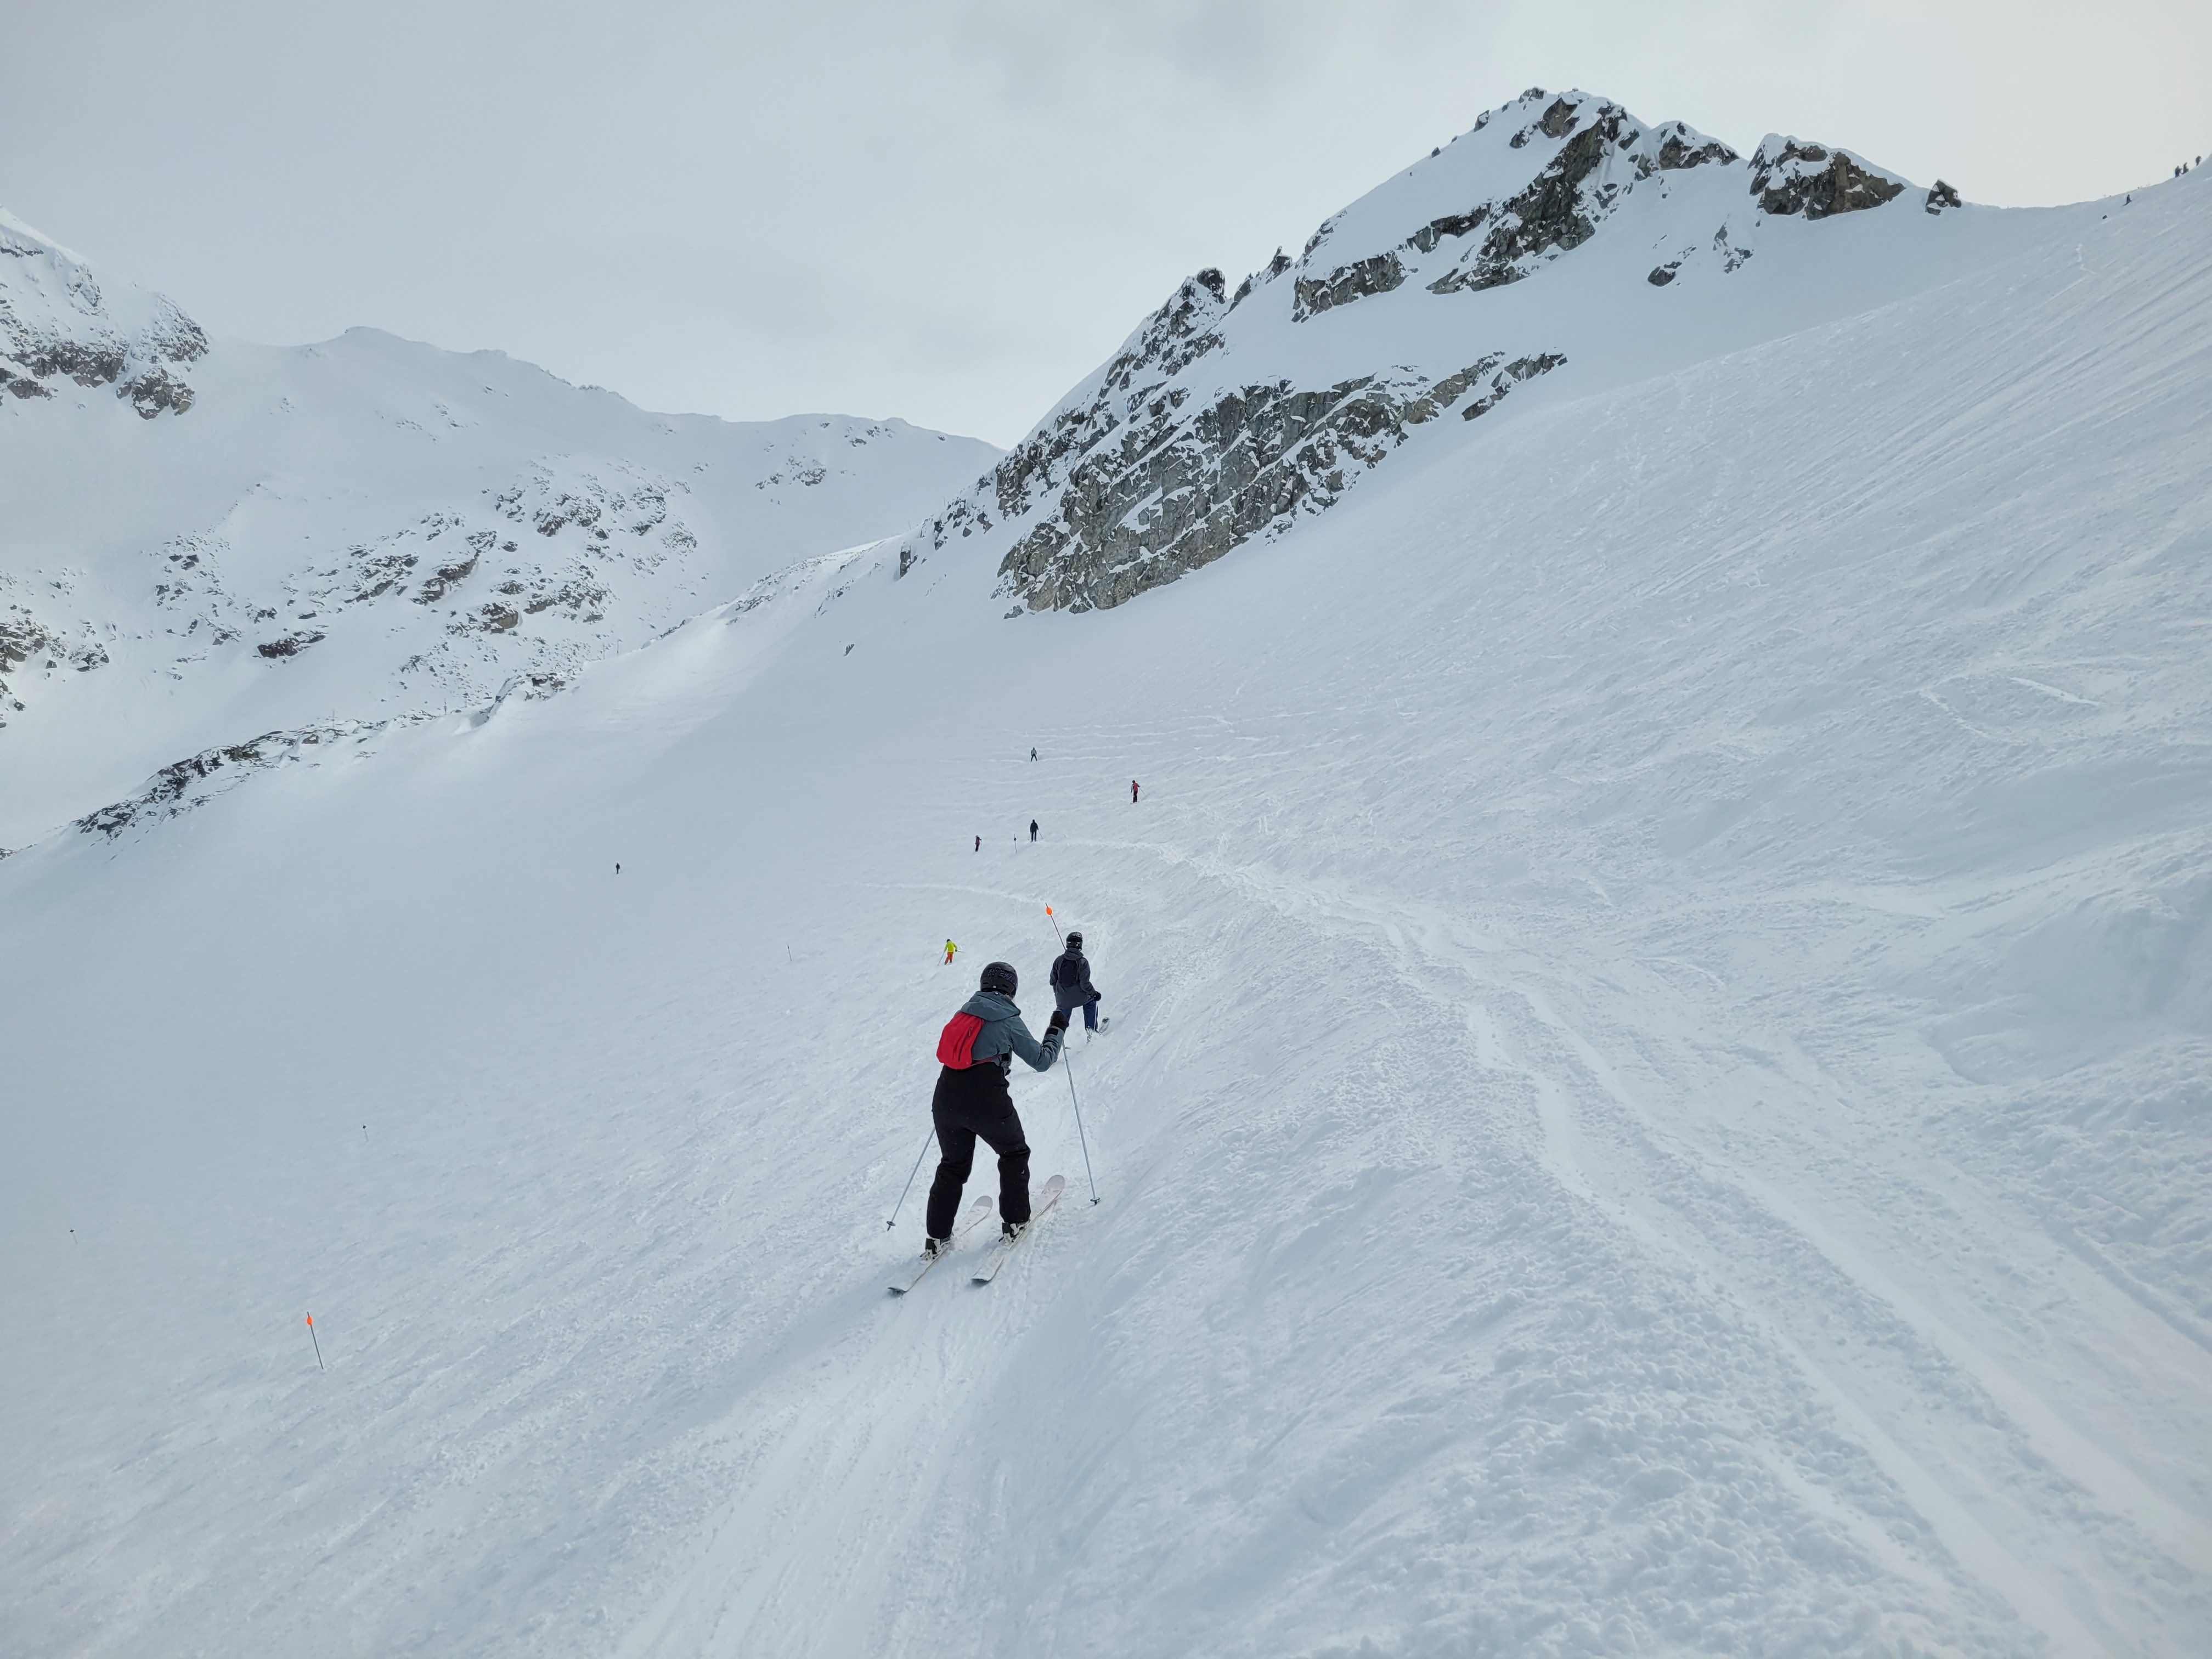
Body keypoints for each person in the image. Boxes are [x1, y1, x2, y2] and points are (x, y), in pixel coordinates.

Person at [926, 961, 1067, 1251]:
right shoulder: (1008, 1019)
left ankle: (936, 1238)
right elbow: (1041, 1061)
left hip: (946, 1095)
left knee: (952, 1164)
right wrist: (1056, 1030)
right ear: (1011, 989)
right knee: (1014, 1153)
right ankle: (1015, 1222)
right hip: (987, 1097)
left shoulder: (963, 1012)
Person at [1050, 929, 1102, 1036]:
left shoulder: (1059, 960)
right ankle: (1091, 1032)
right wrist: (1094, 994)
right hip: (1081, 998)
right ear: (1080, 945)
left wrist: (1059, 994)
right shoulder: (1083, 962)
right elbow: (1085, 984)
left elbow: (1053, 981)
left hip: (1063, 999)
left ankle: (1057, 1038)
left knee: (1063, 1010)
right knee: (1091, 1002)